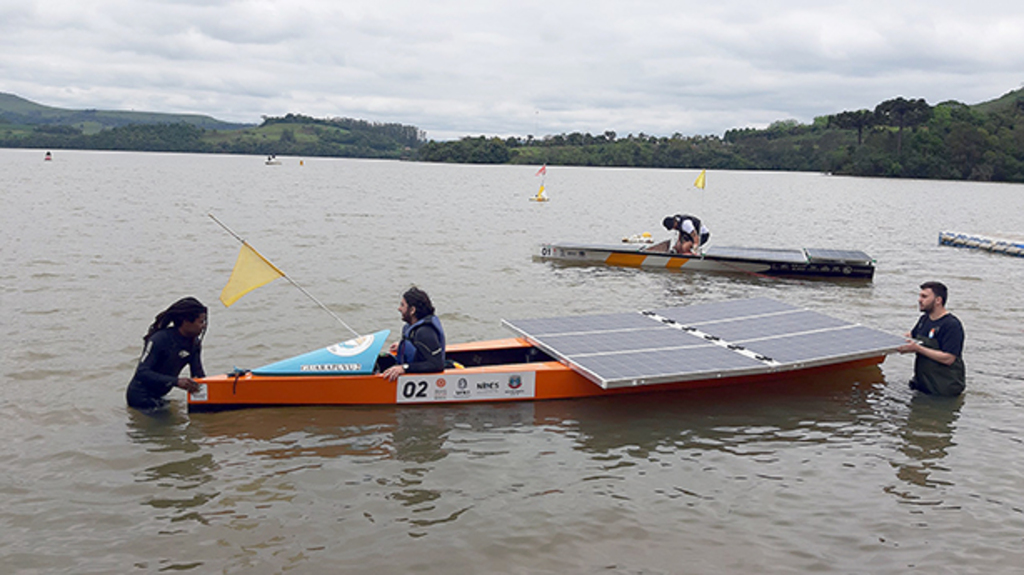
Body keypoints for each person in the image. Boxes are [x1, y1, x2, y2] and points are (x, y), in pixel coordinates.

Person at [126, 297, 207, 410]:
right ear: (186, 321)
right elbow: (142, 372)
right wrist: (176, 382)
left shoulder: (194, 344)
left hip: (160, 395)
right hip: (140, 397)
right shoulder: (159, 339)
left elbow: (198, 375)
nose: (203, 326)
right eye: (201, 322)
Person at [897, 281, 966, 396]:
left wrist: (918, 349)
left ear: (938, 300)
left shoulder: (951, 325)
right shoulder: (924, 320)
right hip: (922, 385)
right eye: (919, 296)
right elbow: (912, 335)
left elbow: (948, 358)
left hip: (944, 390)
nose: (919, 300)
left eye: (924, 296)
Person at [379, 287, 446, 382]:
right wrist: (403, 347)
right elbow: (419, 346)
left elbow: (437, 365)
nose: (399, 308)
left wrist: (404, 368)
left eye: (402, 305)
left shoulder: (425, 332)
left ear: (412, 310)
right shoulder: (412, 327)